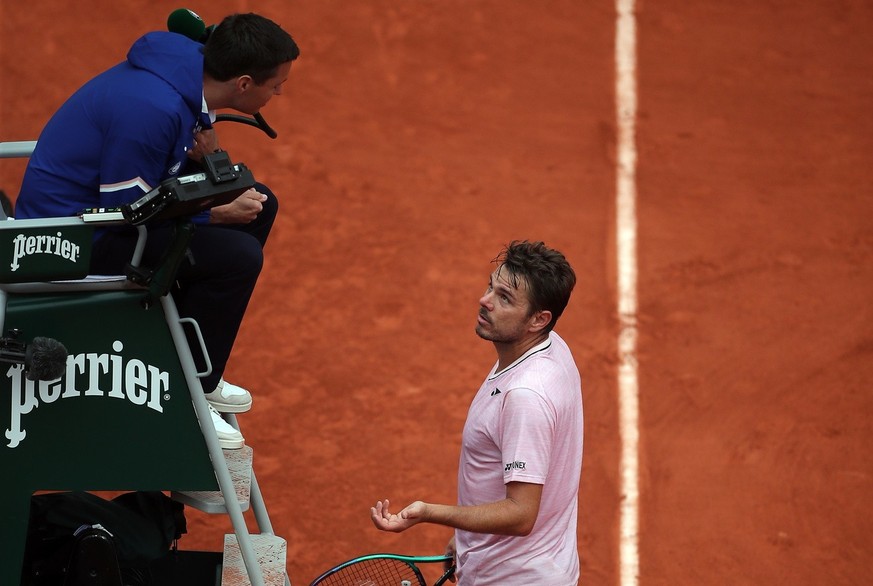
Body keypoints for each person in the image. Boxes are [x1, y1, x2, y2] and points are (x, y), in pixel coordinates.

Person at [14, 13, 300, 449]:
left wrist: (214, 162)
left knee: (259, 204)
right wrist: (214, 216)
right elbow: (123, 213)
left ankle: (182, 354)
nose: (278, 91)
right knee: (237, 258)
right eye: (275, 83)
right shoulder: (151, 109)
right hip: (68, 243)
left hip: (105, 220)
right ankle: (188, 389)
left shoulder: (188, 73)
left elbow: (164, 181)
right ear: (243, 83)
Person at [370, 241, 583, 585]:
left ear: (538, 319)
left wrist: (429, 512)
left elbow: (521, 513)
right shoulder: (551, 347)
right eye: (491, 286)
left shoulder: (525, 396)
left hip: (512, 577)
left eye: (505, 298)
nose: (485, 301)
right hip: (526, 565)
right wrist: (469, 540)